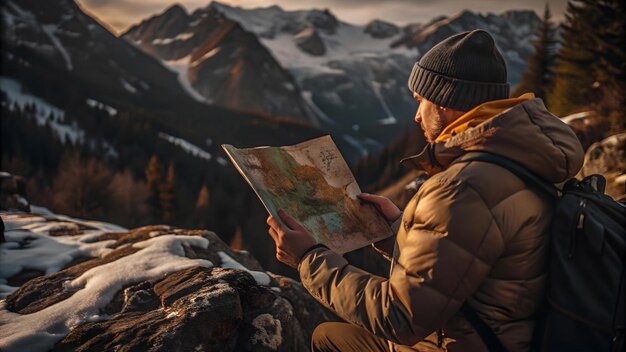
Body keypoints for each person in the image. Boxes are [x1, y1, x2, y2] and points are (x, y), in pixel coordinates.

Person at [266, 29, 584, 351]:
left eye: (420, 100)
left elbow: (400, 318)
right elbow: (472, 249)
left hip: (457, 344)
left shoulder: (462, 188)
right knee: (330, 334)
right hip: (507, 336)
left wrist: (309, 258)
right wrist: (396, 228)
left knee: (325, 339)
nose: (416, 115)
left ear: (445, 100)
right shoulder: (520, 159)